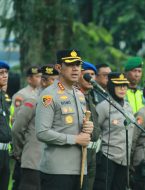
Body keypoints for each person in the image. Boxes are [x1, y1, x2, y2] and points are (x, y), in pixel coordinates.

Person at [35, 50, 94, 190]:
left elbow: (77, 127)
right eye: (70, 64)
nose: (75, 68)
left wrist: (88, 127)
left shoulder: (79, 95)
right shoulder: (49, 95)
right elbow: (42, 132)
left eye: (78, 64)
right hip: (57, 171)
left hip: (80, 169)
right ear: (59, 68)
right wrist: (74, 139)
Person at [12, 65, 59, 190]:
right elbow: (17, 129)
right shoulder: (32, 101)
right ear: (43, 82)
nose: (58, 84)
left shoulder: (57, 103)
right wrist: (20, 152)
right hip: (33, 162)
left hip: (51, 164)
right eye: (53, 80)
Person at [94, 72, 135, 190]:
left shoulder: (128, 106)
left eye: (125, 85)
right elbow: (95, 131)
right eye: (118, 85)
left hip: (125, 160)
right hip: (108, 158)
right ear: (111, 86)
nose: (123, 88)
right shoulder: (103, 107)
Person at [11, 66, 42, 190]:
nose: (40, 79)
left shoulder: (42, 94)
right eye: (37, 76)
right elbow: (16, 122)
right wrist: (19, 149)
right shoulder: (22, 95)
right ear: (29, 79)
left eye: (41, 76)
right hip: (26, 146)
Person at [77, 61, 100, 190]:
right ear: (79, 75)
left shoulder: (91, 97)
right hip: (80, 151)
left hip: (92, 152)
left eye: (93, 74)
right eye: (87, 74)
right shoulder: (75, 96)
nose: (91, 78)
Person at [0, 60, 12, 190]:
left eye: (6, 72)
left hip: (5, 152)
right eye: (1, 73)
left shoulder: (3, 97)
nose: (5, 75)